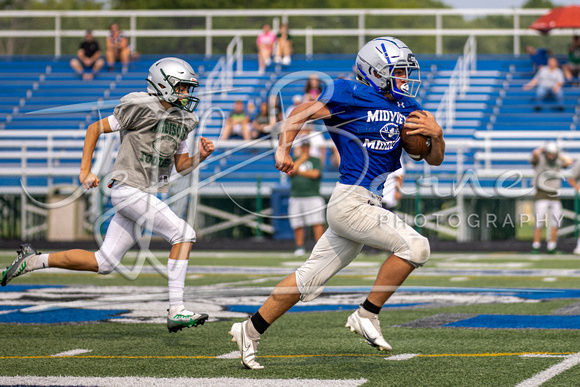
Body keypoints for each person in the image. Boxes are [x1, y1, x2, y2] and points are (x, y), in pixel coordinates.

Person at [229, 36, 445, 370]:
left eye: (405, 71)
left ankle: (250, 329)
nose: (405, 78)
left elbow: (431, 159)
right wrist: (282, 148)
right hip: (351, 201)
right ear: (374, 71)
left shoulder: (406, 105)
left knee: (308, 278)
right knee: (417, 248)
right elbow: (300, 112)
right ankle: (366, 314)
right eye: (399, 71)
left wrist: (437, 134)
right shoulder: (350, 92)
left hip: (368, 202)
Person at [1, 57, 215, 333]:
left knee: (103, 263)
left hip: (145, 193)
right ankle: (176, 309)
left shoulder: (184, 119)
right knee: (184, 234)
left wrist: (201, 156)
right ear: (163, 83)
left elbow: (181, 166)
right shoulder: (139, 105)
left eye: (188, 88)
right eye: (182, 87)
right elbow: (95, 129)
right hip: (128, 189)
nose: (187, 94)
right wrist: (85, 170)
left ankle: (33, 260)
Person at [530, 142, 573, 254]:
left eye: (553, 153)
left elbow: (569, 162)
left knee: (556, 221)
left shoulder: (557, 160)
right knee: (539, 221)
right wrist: (543, 149)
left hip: (554, 195)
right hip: (541, 194)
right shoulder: (540, 159)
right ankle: (536, 245)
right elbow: (535, 154)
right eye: (550, 153)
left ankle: (552, 246)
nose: (551, 156)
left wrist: (558, 154)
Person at [288, 138, 325, 257]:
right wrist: (301, 160)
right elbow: (290, 171)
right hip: (296, 195)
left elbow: (315, 174)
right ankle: (299, 247)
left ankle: (319, 249)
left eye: (307, 147)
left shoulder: (315, 160)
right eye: (303, 147)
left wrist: (298, 171)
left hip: (313, 195)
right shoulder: (294, 160)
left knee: (317, 222)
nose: (305, 149)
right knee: (297, 223)